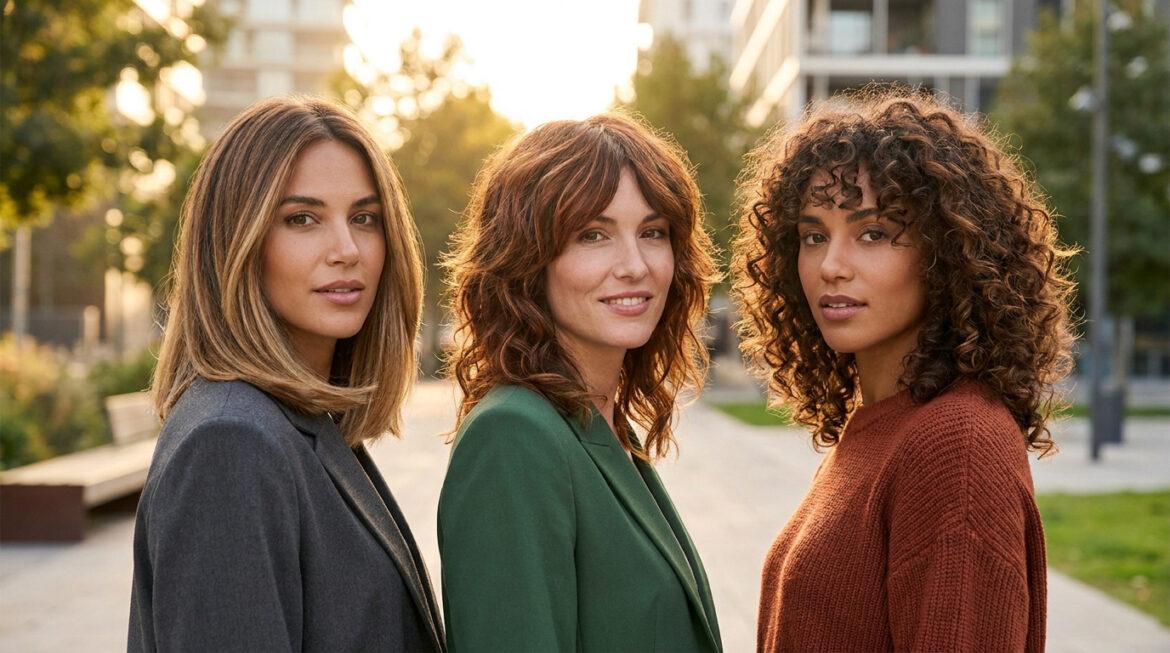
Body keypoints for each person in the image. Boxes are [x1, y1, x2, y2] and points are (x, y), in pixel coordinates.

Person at [732, 89, 1076, 652]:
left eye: (873, 234)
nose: (831, 266)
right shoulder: (879, 424)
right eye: (813, 236)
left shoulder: (956, 446)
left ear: (946, 253)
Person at [128, 97, 444, 652]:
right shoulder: (230, 443)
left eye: (365, 218)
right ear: (236, 241)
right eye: (302, 219)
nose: (347, 250)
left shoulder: (300, 421)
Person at [438, 113, 724, 652]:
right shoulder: (513, 437)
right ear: (528, 258)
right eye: (593, 234)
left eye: (653, 233)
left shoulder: (601, 427)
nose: (635, 265)